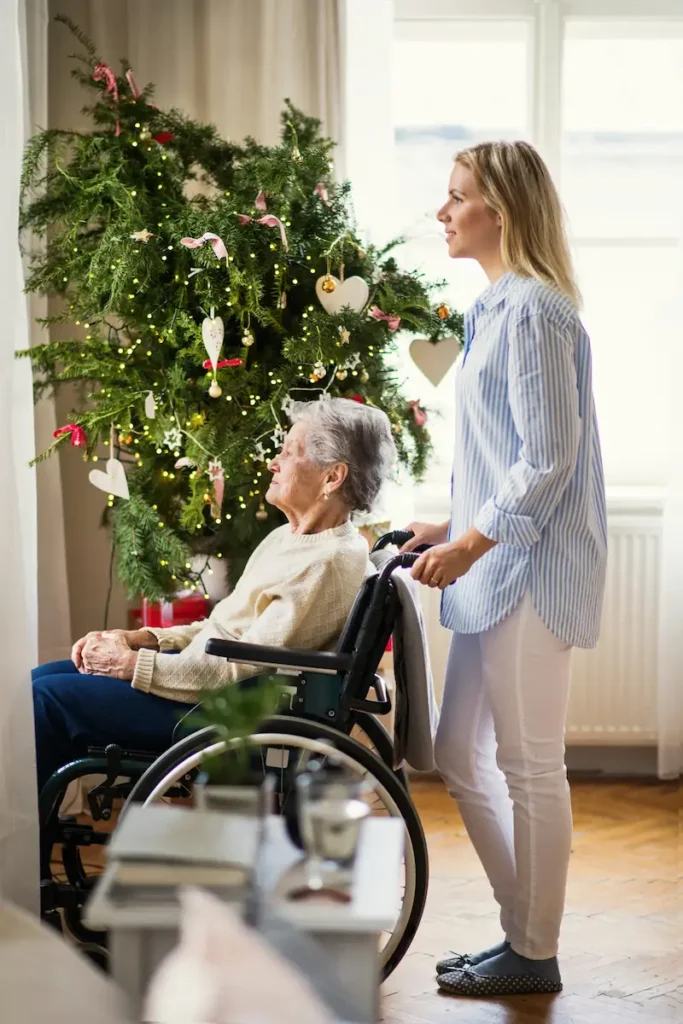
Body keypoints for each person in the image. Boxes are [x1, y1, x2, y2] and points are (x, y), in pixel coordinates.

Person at [402, 141, 607, 997]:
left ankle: (533, 949)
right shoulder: (492, 309)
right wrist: (448, 523)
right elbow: (502, 456)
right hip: (494, 564)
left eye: (456, 199)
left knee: (529, 765)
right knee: (456, 751)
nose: (442, 213)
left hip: (530, 570)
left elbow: (548, 459)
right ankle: (519, 930)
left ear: (502, 211)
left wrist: (470, 543)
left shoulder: (533, 312)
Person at [33, 398, 395, 799]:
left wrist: (131, 665)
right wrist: (145, 639)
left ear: (332, 477)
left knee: (44, 699)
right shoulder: (291, 538)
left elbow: (238, 670)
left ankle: (24, 849)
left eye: (290, 453)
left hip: (211, 713)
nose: (274, 462)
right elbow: (223, 628)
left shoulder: (327, 563)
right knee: (43, 678)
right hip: (200, 683)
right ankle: (36, 831)